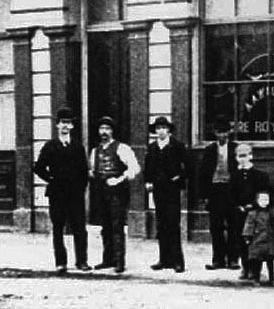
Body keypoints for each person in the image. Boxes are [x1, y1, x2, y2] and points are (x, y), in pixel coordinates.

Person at [33, 106, 91, 274]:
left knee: (79, 227)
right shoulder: (50, 146)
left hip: (75, 194)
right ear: (57, 125)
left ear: (72, 126)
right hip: (57, 194)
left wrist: (81, 188)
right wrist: (51, 179)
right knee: (58, 227)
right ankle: (61, 262)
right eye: (62, 123)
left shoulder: (78, 147)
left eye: (68, 123)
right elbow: (38, 168)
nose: (65, 126)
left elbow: (83, 171)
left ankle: (82, 261)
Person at [89, 115, 140, 273]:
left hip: (117, 193)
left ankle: (119, 261)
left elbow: (134, 168)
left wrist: (119, 179)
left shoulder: (121, 148)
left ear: (112, 131)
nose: (104, 132)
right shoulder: (94, 151)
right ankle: (107, 259)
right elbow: (92, 169)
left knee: (117, 226)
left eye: (107, 129)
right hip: (101, 192)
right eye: (102, 129)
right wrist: (92, 173)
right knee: (105, 227)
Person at [144, 116, 189, 273]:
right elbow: (148, 166)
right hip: (158, 190)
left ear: (169, 130)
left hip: (172, 190)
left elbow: (188, 166)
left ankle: (178, 261)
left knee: (173, 223)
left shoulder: (177, 146)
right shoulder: (152, 147)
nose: (160, 131)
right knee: (161, 224)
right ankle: (164, 260)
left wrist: (179, 177)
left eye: (163, 127)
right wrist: (148, 181)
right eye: (158, 128)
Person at [199, 116, 240, 270]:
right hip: (215, 191)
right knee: (216, 227)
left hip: (231, 191)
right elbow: (203, 174)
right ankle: (218, 259)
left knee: (234, 226)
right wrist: (205, 196)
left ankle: (233, 259)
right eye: (219, 132)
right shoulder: (209, 150)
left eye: (225, 132)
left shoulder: (236, 148)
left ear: (229, 132)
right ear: (215, 133)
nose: (222, 135)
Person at [231, 142, 271, 280]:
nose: (242, 159)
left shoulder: (260, 175)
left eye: (245, 156)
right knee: (242, 240)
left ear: (251, 156)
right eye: (239, 156)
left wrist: (253, 205)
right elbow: (231, 194)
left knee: (256, 242)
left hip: (256, 214)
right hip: (240, 213)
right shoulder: (235, 176)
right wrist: (239, 206)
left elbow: (264, 193)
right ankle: (245, 267)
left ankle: (255, 269)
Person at [242, 189, 274, 286]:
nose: (264, 202)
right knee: (257, 261)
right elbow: (249, 225)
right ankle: (256, 278)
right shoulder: (252, 214)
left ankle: (272, 277)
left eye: (266, 200)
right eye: (262, 200)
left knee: (270, 260)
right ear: (257, 201)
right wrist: (247, 236)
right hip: (257, 240)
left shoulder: (272, 213)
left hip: (270, 240)